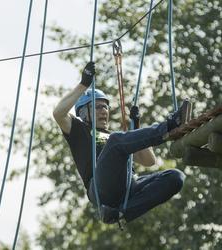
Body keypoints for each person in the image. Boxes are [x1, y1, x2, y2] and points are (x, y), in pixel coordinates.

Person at [53, 62, 191, 225]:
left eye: (105, 107)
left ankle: (120, 214)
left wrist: (136, 127)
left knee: (176, 177)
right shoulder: (79, 129)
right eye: (97, 107)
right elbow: (58, 113)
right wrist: (84, 84)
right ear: (84, 113)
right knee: (117, 141)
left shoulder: (116, 139)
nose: (104, 111)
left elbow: (149, 161)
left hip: (128, 184)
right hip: (100, 187)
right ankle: (169, 125)